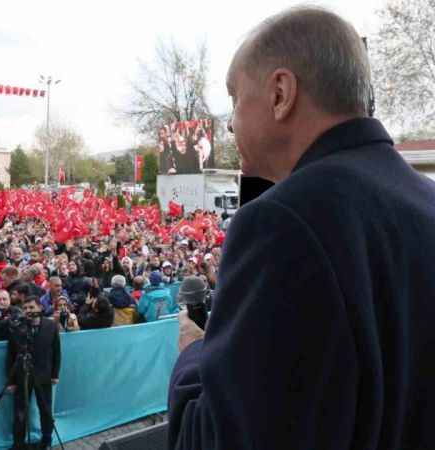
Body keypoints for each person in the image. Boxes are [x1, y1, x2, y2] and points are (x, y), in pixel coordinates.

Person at [168, 7, 435, 450]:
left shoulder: (284, 222)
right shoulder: (424, 199)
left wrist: (193, 357)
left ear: (280, 93)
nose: (231, 123)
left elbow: (221, 439)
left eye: (235, 99)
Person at [5, 296, 61, 450]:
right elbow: (11, 355)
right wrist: (10, 381)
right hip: (22, 375)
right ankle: (18, 443)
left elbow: (56, 351)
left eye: (31, 307)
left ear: (40, 308)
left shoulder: (51, 326)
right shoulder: (18, 327)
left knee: (46, 410)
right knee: (20, 411)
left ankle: (46, 441)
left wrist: (55, 374)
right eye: (26, 308)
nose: (28, 311)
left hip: (44, 375)